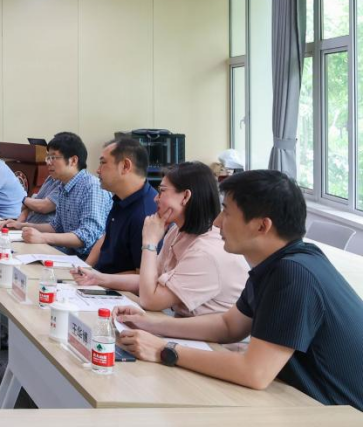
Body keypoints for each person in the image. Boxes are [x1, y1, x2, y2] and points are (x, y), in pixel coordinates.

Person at [115, 170, 362, 410]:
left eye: (227, 213)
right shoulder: (278, 263)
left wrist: (164, 350)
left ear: (262, 226)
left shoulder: (293, 274)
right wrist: (151, 325)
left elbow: (255, 373)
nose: (217, 222)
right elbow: (228, 325)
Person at [75, 162, 249, 315]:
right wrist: (99, 278)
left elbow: (150, 300)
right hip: (184, 326)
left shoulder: (206, 252)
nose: (156, 198)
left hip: (211, 340)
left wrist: (149, 242)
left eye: (162, 191)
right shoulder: (176, 232)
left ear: (186, 196)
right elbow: (150, 280)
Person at [3, 132, 107, 258]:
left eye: (53, 157)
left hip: (90, 259)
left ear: (73, 160)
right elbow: (56, 227)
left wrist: (42, 237)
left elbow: (87, 235)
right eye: (48, 157)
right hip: (71, 253)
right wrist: (21, 226)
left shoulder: (91, 186)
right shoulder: (64, 186)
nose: (48, 162)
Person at [84, 137, 158, 274]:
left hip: (114, 285)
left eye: (103, 163)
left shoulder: (146, 215)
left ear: (125, 166)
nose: (98, 170)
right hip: (100, 278)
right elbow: (107, 237)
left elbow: (141, 275)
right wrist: (84, 268)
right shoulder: (122, 197)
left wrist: (97, 278)